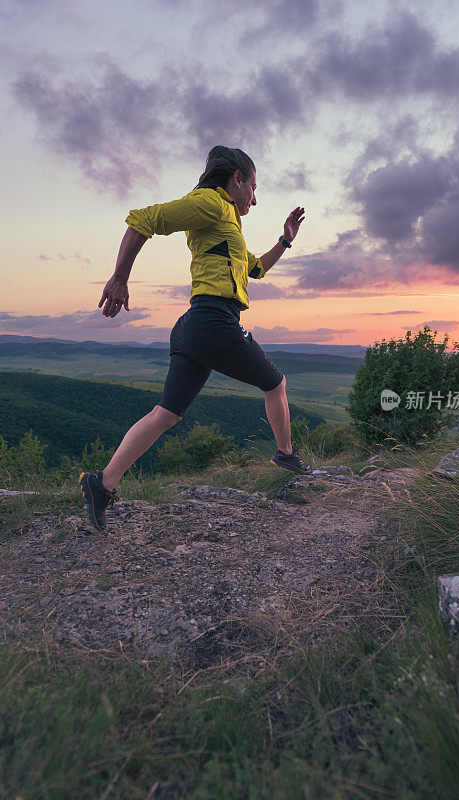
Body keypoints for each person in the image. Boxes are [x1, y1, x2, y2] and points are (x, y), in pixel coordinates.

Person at [79, 145, 312, 531]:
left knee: (164, 414)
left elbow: (254, 269)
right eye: (253, 187)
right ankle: (286, 455)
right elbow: (143, 219)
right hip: (214, 321)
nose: (255, 198)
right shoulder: (211, 204)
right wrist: (120, 276)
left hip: (195, 327)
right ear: (235, 180)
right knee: (276, 383)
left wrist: (285, 241)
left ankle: (101, 484)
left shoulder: (228, 221)